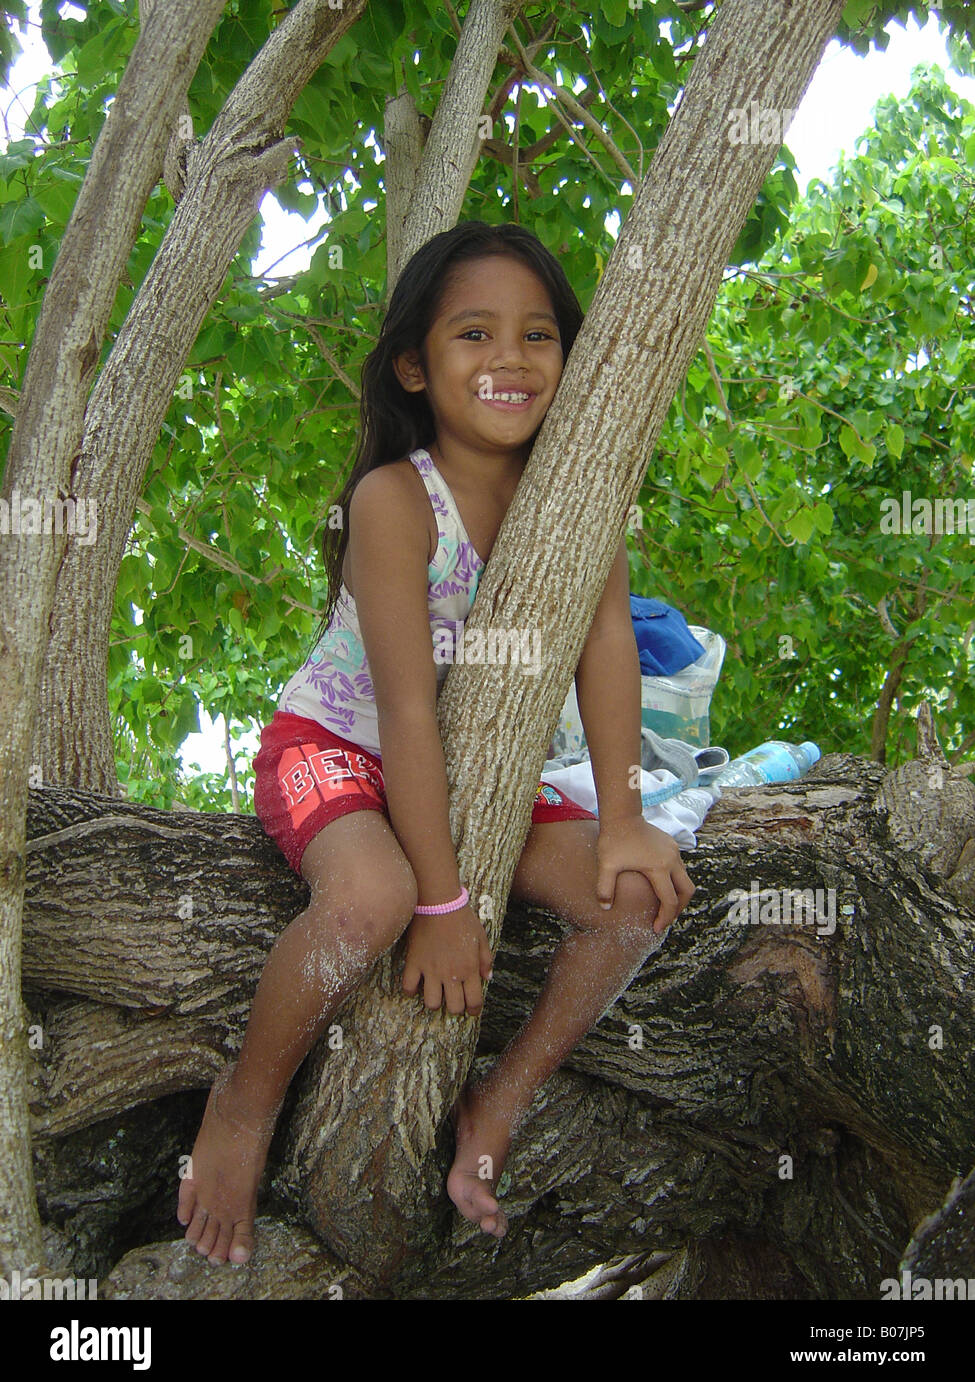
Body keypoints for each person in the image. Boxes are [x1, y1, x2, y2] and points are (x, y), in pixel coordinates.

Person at [177, 220, 696, 1267]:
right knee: (368, 901)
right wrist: (445, 906)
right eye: (474, 333)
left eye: (538, 334)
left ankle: (495, 1107)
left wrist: (628, 819)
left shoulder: (578, 502)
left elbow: (607, 650)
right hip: (339, 744)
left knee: (637, 899)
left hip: (472, 773)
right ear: (416, 363)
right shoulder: (394, 499)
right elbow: (407, 712)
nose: (510, 359)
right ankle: (245, 1101)